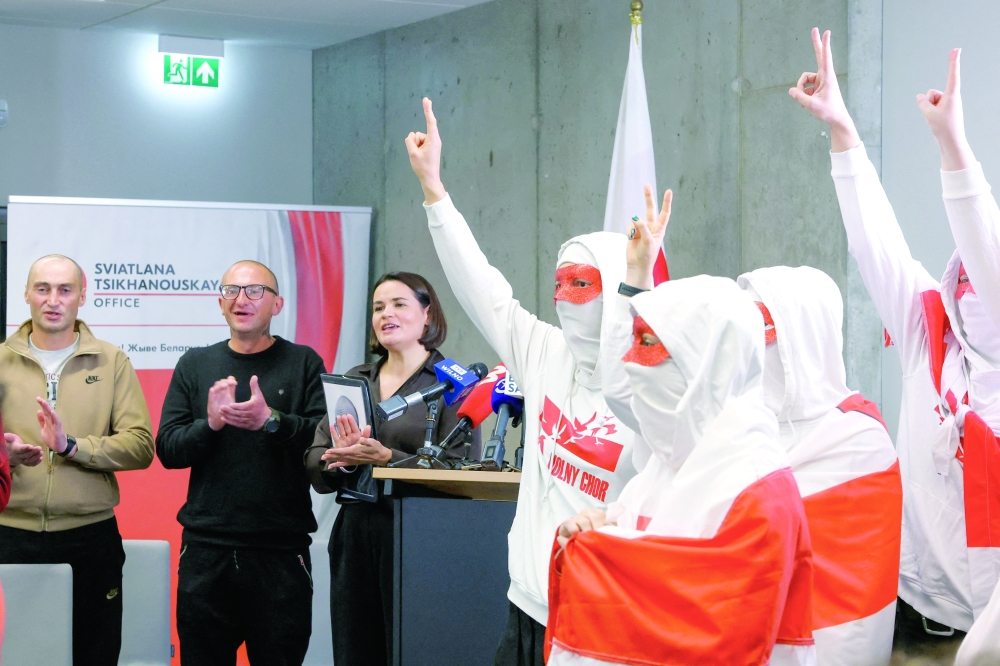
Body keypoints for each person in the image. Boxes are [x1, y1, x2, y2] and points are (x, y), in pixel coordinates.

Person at [611, 186, 902, 664]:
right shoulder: (733, 427)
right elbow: (632, 395)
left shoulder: (857, 439)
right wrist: (637, 280)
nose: (749, 343)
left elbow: (852, 588)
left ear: (804, 337)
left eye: (762, 327)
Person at [405, 97, 640, 666]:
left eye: (581, 284)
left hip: (604, 618)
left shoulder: (647, 384)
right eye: (557, 284)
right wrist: (436, 192)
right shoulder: (542, 349)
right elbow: (480, 286)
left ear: (613, 288)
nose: (563, 298)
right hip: (526, 606)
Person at [790, 28, 1000, 645]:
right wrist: (842, 128)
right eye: (963, 282)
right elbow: (874, 237)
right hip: (913, 617)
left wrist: (951, 143)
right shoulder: (926, 332)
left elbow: (986, 253)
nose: (970, 291)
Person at [550, 275, 815, 665]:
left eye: (648, 344)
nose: (629, 361)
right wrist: (597, 529)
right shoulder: (665, 464)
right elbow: (633, 544)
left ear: (705, 358)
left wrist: (608, 553)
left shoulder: (757, 485)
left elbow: (722, 634)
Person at [156, 260, 326, 666]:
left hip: (280, 553)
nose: (241, 299)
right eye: (231, 290)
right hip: (206, 552)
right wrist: (211, 424)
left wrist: (272, 421)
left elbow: (325, 438)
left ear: (278, 303)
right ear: (220, 303)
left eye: (254, 291)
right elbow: (168, 449)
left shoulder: (304, 362)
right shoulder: (195, 364)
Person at [304, 271, 480, 666]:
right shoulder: (354, 379)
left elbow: (462, 472)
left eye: (399, 304)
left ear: (427, 313)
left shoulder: (454, 384)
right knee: (355, 651)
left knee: (414, 649)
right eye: (378, 307)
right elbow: (315, 462)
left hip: (422, 535)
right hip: (355, 534)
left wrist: (389, 460)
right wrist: (341, 459)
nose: (387, 314)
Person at [0, 254, 155, 666]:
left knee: (94, 654)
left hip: (90, 538)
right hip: (9, 534)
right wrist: (5, 455)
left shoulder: (111, 360)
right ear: (26, 294)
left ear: (82, 296)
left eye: (65, 289)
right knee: (17, 656)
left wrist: (71, 446)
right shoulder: (0, 361)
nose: (53, 299)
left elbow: (140, 446)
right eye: (43, 288)